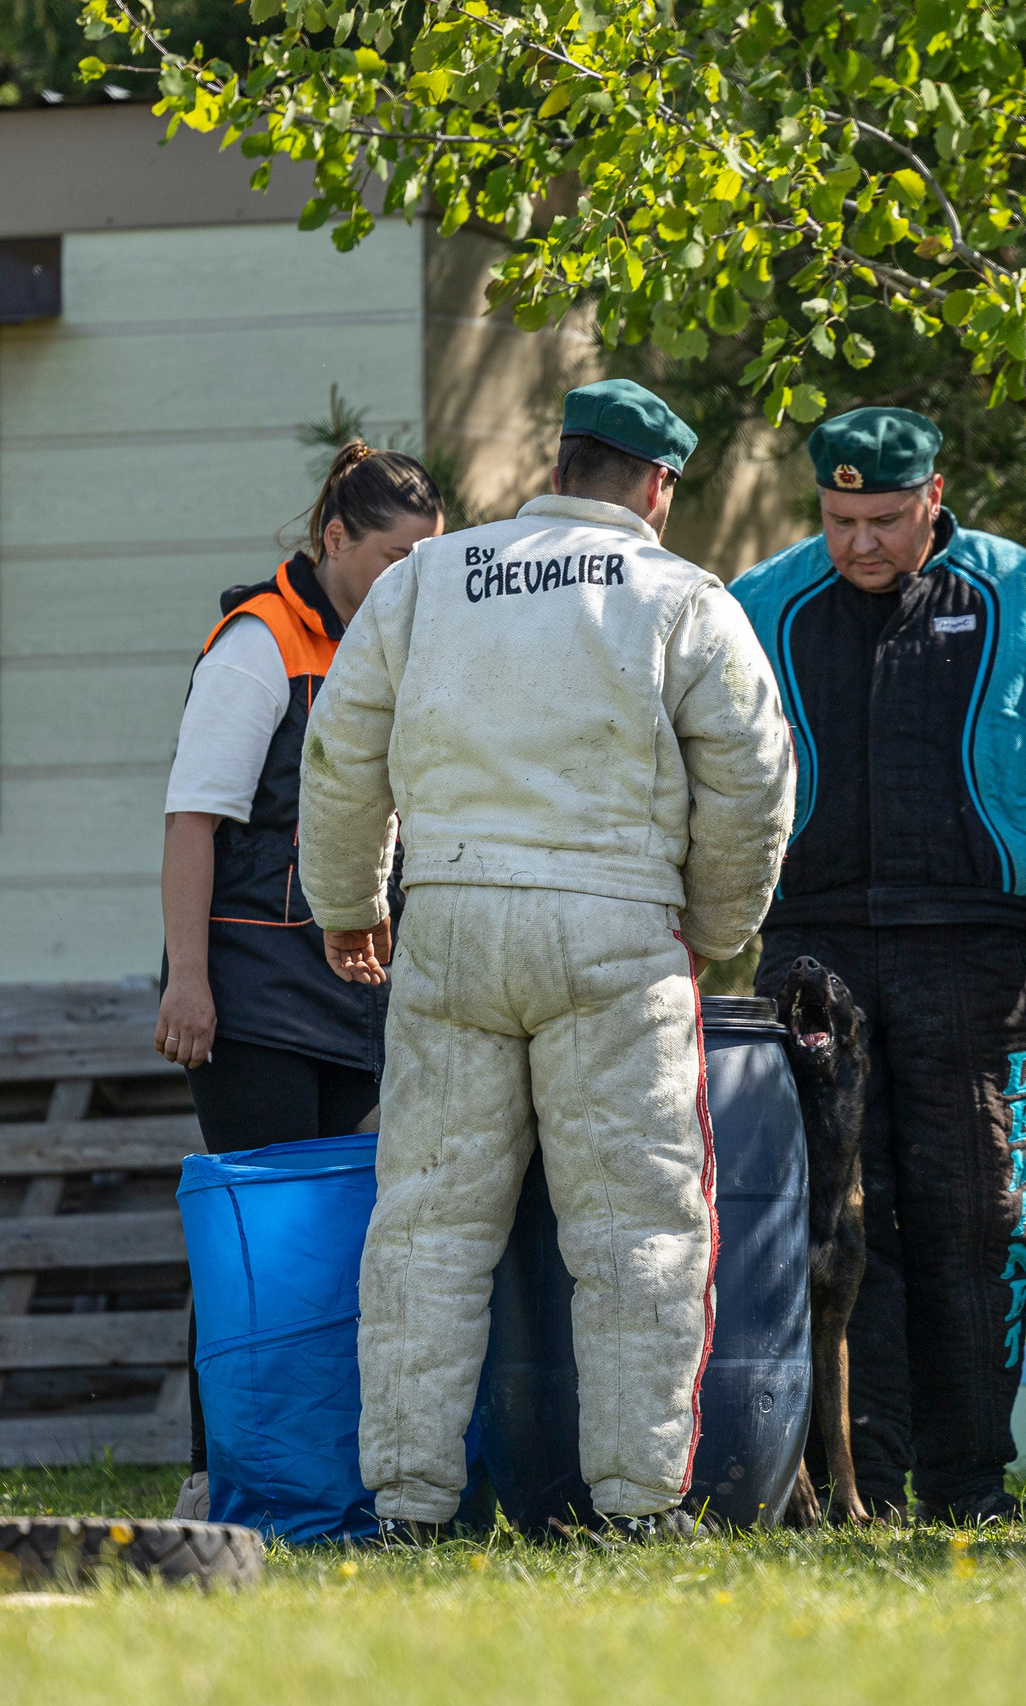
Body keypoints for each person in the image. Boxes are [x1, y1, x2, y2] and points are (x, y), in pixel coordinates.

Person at [298, 380, 795, 1539]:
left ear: (557, 465)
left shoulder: (425, 579)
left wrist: (348, 901)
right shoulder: (681, 598)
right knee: (638, 1225)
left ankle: (409, 1500)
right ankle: (638, 1499)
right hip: (615, 929)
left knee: (426, 1222)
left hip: (451, 921)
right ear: (657, 485)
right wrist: (713, 925)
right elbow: (751, 781)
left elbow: (341, 749)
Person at [727, 406, 1026, 1525]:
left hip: (979, 954)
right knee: (834, 1225)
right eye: (839, 520)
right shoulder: (755, 608)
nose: (860, 544)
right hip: (812, 951)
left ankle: (970, 1484)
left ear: (935, 495)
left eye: (885, 520)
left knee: (980, 1218)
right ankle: (858, 1490)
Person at [154, 440, 444, 1518]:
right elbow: (193, 823)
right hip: (250, 992)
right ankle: (215, 1474)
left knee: (348, 1241)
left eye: (429, 561)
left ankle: (328, 1476)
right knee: (259, 1244)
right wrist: (189, 982)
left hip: (356, 992)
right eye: (396, 558)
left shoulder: (397, 647)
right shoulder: (258, 643)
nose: (412, 580)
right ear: (333, 538)